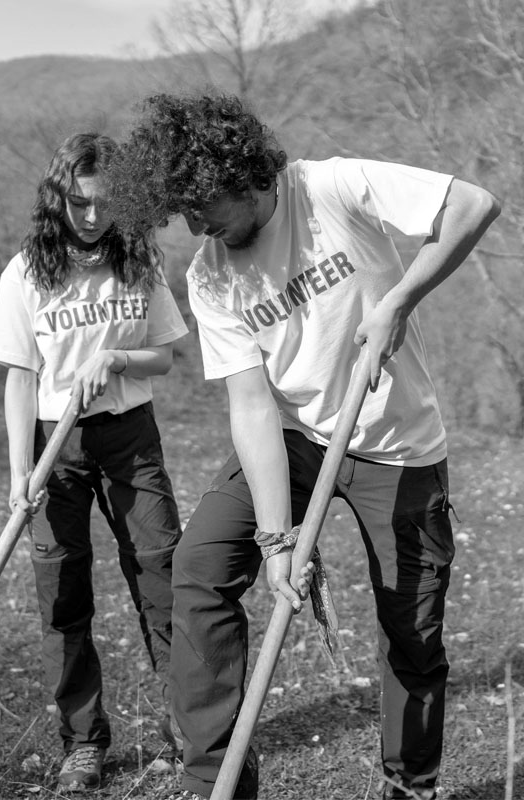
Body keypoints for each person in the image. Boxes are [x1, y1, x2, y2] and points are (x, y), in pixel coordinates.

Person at [111, 93, 502, 800]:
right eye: (182, 213)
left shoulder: (330, 187)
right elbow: (252, 405)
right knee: (199, 568)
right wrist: (275, 538)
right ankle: (216, 782)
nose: (196, 226)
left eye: (203, 205)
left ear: (242, 171)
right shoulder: (209, 276)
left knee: (411, 627)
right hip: (294, 439)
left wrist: (397, 302)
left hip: (398, 445)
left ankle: (410, 784)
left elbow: (472, 204)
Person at [0, 132, 189, 792]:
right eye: (80, 202)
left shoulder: (139, 261)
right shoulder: (27, 272)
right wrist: (21, 472)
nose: (93, 216)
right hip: (54, 446)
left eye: (105, 203)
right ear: (59, 197)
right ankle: (83, 742)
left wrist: (118, 357)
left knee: (163, 579)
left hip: (130, 437)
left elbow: (164, 354)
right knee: (63, 598)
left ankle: (189, 732)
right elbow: (18, 376)